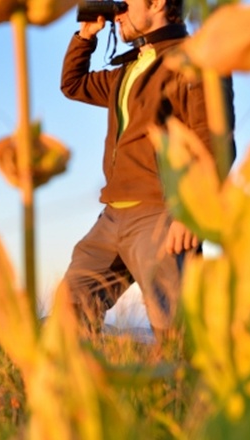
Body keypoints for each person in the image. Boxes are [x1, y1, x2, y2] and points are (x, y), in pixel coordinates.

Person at [59, 0, 234, 340]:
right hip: (111, 217)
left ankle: (188, 394)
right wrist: (86, 36)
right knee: (70, 312)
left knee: (177, 332)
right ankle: (82, 389)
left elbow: (214, 138)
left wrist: (193, 210)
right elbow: (74, 84)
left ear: (156, 3)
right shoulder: (131, 68)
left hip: (160, 214)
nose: (117, 11)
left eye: (125, 3)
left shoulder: (195, 59)